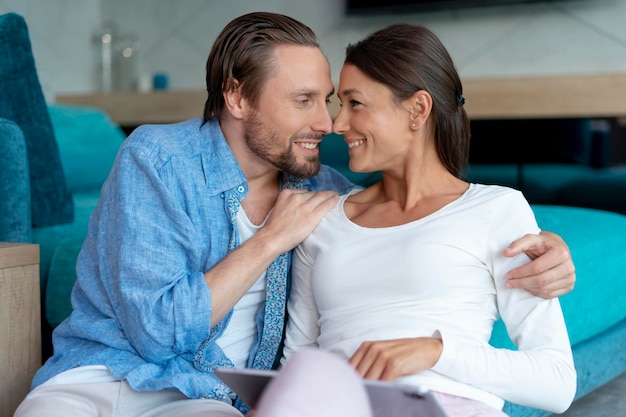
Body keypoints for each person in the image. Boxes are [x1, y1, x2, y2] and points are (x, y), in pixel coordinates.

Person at [15, 12, 573, 417]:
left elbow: (415, 224)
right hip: (112, 375)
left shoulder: (326, 196)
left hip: (210, 399)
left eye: (340, 101)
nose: (331, 125)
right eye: (310, 101)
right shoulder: (172, 163)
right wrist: (270, 240)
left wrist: (552, 251)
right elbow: (183, 338)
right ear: (238, 98)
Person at [282, 24, 577, 416]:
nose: (338, 124)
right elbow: (298, 361)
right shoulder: (322, 217)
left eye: (355, 103)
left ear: (417, 110)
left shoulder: (496, 210)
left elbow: (556, 383)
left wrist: (434, 352)